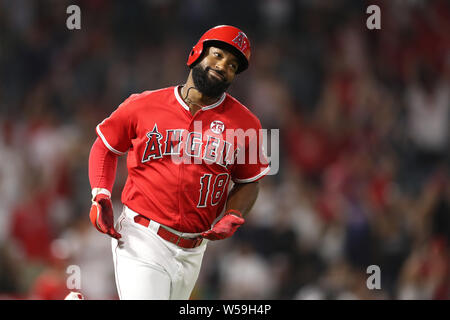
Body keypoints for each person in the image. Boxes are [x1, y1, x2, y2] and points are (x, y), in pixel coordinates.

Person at [88, 25, 270, 300]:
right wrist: (100, 193)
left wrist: (234, 213)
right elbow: (106, 145)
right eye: (218, 55)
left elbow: (249, 181)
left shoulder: (247, 124)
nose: (223, 67)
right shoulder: (143, 104)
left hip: (195, 250)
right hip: (142, 237)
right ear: (196, 53)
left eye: (233, 65)